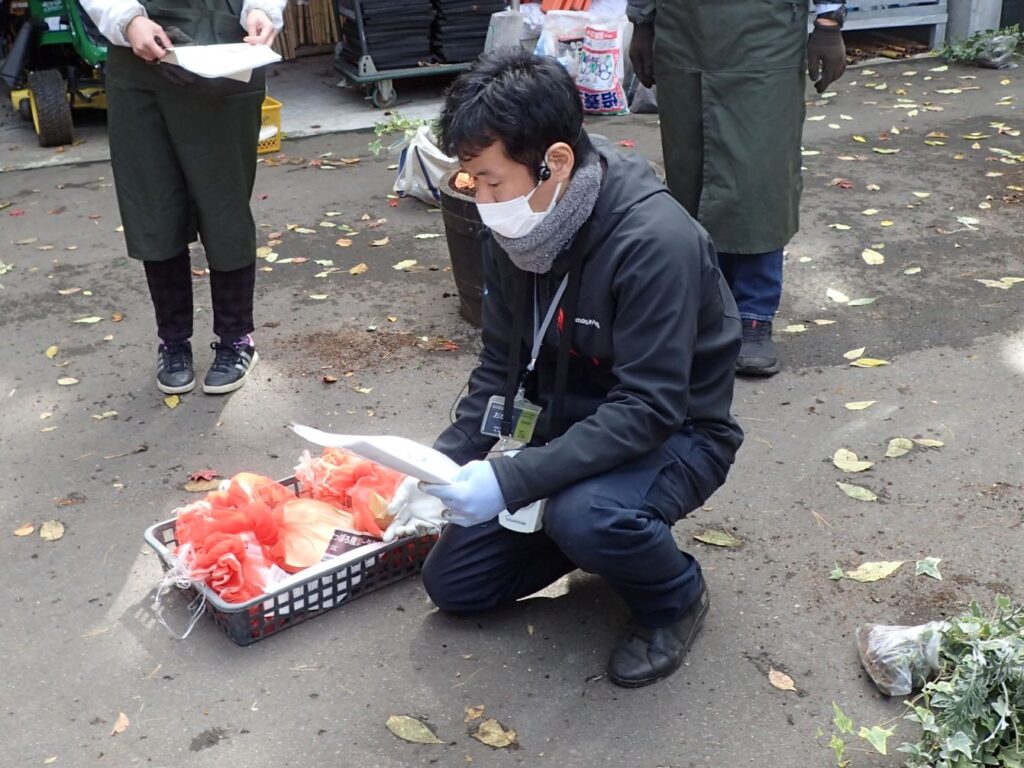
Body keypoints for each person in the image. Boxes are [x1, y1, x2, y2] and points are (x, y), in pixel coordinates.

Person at [408, 50, 743, 688]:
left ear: (555, 162)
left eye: (491, 180)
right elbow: (501, 365)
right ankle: (580, 525)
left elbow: (648, 408)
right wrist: (441, 462)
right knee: (456, 584)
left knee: (587, 516)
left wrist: (512, 483)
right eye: (468, 182)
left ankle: (673, 596)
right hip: (567, 426)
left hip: (677, 431)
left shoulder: (653, 243)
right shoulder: (518, 229)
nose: (481, 199)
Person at [628, 0, 849, 376]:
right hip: (683, 33)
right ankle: (704, 307)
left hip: (764, 37)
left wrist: (828, 24)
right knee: (689, 173)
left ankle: (753, 314)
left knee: (759, 178)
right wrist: (642, 21)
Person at [81, 0, 287, 394]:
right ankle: (172, 343)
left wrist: (261, 9)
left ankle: (236, 339)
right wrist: (127, 19)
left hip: (226, 50)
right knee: (152, 203)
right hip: (138, 57)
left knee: (223, 203)